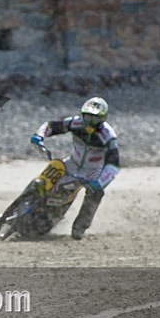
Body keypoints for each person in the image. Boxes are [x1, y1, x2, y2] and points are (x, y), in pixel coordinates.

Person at [30, 97, 120, 240]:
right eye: (87, 117)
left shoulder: (108, 136)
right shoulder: (75, 122)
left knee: (96, 193)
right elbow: (51, 126)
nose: (89, 122)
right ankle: (22, 205)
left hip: (92, 172)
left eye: (94, 119)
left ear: (103, 119)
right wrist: (39, 135)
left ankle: (80, 226)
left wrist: (99, 182)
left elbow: (114, 165)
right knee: (48, 174)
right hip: (71, 164)